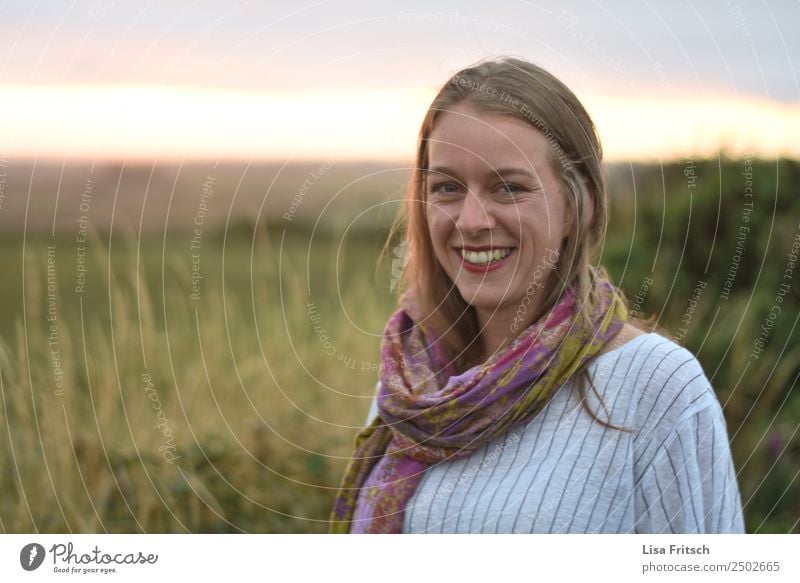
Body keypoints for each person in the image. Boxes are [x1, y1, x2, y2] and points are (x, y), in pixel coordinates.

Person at [329, 56, 745, 534]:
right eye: (447, 187)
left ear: (576, 205)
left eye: (508, 188)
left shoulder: (654, 386)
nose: (471, 221)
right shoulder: (412, 382)